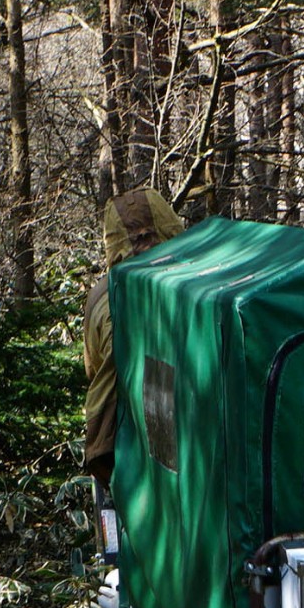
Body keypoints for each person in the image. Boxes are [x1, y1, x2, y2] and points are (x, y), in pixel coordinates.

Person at [82, 187, 185, 490]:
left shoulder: (102, 295)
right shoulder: (194, 286)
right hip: (168, 457)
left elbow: (93, 369)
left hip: (118, 454)